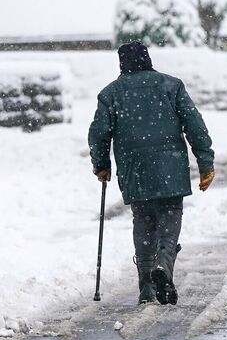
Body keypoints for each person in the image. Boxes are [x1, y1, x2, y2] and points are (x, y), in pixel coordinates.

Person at [88, 42, 215, 305]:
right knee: (169, 216)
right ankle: (164, 264)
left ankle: (146, 285)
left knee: (143, 220)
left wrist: (101, 164)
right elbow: (195, 125)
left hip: (135, 168)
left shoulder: (110, 94)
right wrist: (205, 163)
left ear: (122, 64)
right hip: (170, 167)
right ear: (148, 59)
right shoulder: (171, 86)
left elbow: (98, 134)